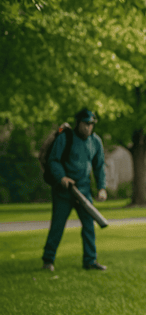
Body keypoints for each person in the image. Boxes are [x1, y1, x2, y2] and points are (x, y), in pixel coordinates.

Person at [42, 108, 108, 272]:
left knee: (89, 226)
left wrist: (101, 187)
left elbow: (99, 166)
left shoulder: (95, 141)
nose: (88, 127)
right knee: (57, 226)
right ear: (78, 123)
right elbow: (53, 160)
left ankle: (90, 261)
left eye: (91, 124)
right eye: (85, 124)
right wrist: (62, 177)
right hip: (64, 191)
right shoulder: (65, 138)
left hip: (84, 190)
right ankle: (48, 260)